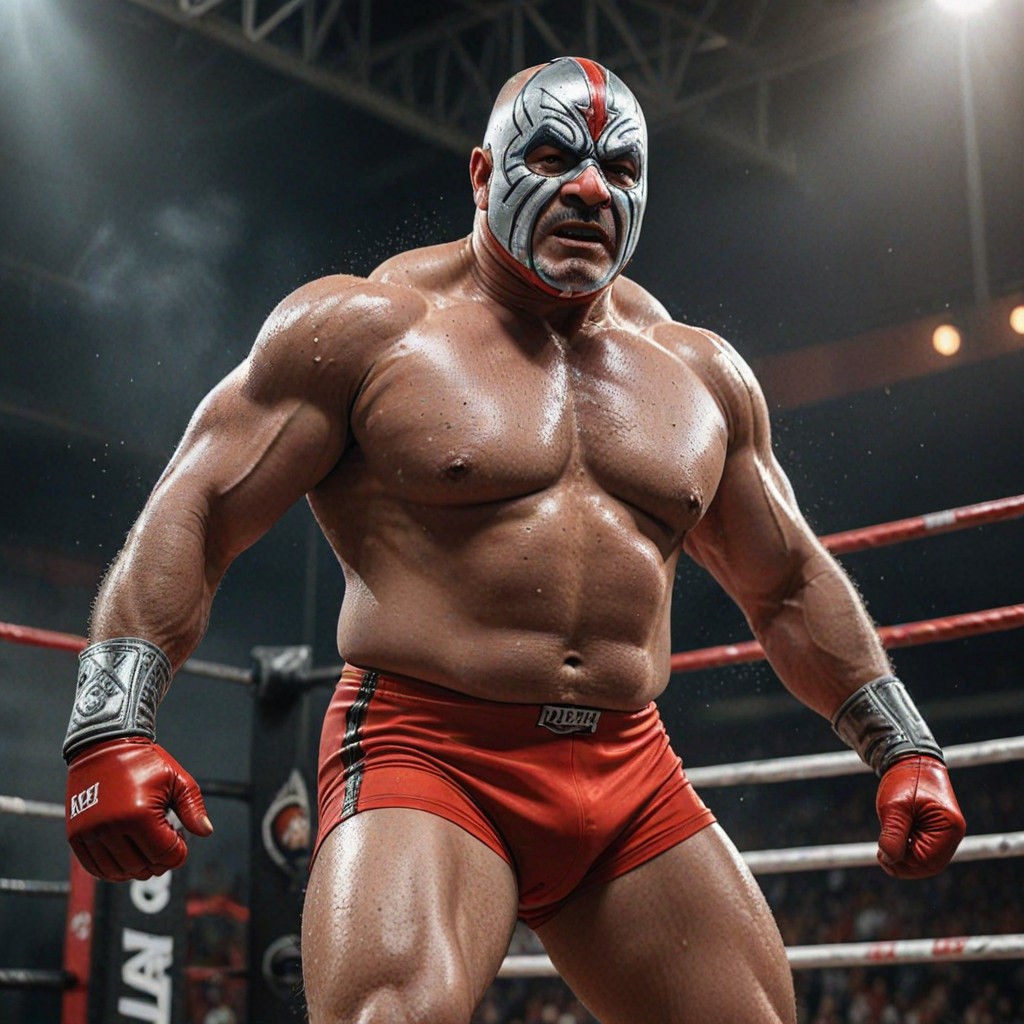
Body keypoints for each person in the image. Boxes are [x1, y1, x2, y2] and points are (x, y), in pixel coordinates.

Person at [63, 58, 965, 1024]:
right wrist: (110, 721)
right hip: (429, 752)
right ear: (484, 174)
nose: (589, 187)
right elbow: (198, 507)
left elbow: (783, 583)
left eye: (620, 169)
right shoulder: (368, 329)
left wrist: (901, 743)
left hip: (626, 770)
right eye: (553, 154)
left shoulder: (700, 375)